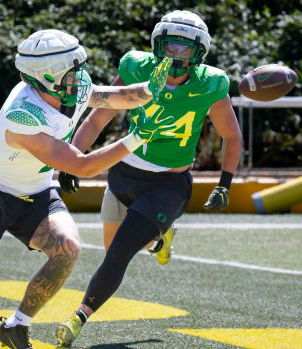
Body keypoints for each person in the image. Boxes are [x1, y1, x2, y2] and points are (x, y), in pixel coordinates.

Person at [0, 29, 174, 349]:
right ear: (44, 77)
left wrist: (150, 88)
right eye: (71, 72)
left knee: (68, 249)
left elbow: (121, 97)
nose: (80, 78)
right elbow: (83, 166)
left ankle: (16, 326)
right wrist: (138, 137)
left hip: (36, 192)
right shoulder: (23, 113)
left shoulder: (70, 86)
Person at [55, 10, 242, 348]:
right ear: (157, 45)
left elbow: (231, 135)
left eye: (185, 49)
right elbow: (98, 120)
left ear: (199, 53)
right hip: (124, 174)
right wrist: (72, 160)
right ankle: (160, 240)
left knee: (118, 254)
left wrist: (224, 183)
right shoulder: (136, 68)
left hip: (168, 185)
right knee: (119, 245)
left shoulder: (210, 85)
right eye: (171, 46)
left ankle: (78, 317)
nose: (176, 55)